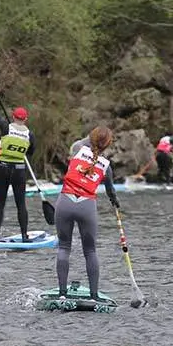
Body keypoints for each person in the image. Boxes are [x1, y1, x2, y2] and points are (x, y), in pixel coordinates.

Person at [55, 127, 120, 300]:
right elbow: (111, 192)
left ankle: (62, 293)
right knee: (90, 251)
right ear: (107, 145)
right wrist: (115, 202)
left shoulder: (77, 148)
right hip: (87, 207)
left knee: (63, 247)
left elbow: (85, 144)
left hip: (65, 202)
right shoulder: (106, 166)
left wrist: (94, 137)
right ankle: (94, 296)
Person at [0, 84, 34, 242]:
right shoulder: (30, 134)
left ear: (14, 117)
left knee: (0, 202)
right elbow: (31, 152)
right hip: (20, 170)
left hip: (3, 168)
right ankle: (24, 235)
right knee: (21, 203)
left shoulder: (6, 127)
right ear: (25, 119)